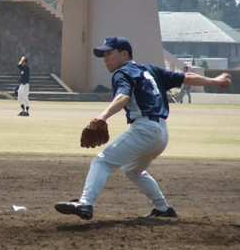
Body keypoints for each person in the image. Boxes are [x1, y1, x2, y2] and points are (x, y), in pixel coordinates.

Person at [55, 36, 232, 220]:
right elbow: (186, 77)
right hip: (161, 134)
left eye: (109, 53)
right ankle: (163, 208)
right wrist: (214, 81)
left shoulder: (122, 72)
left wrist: (103, 116)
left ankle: (85, 203)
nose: (105, 59)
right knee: (132, 170)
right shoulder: (150, 69)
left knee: (102, 162)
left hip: (145, 130)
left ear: (125, 54)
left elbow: (123, 96)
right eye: (103, 55)